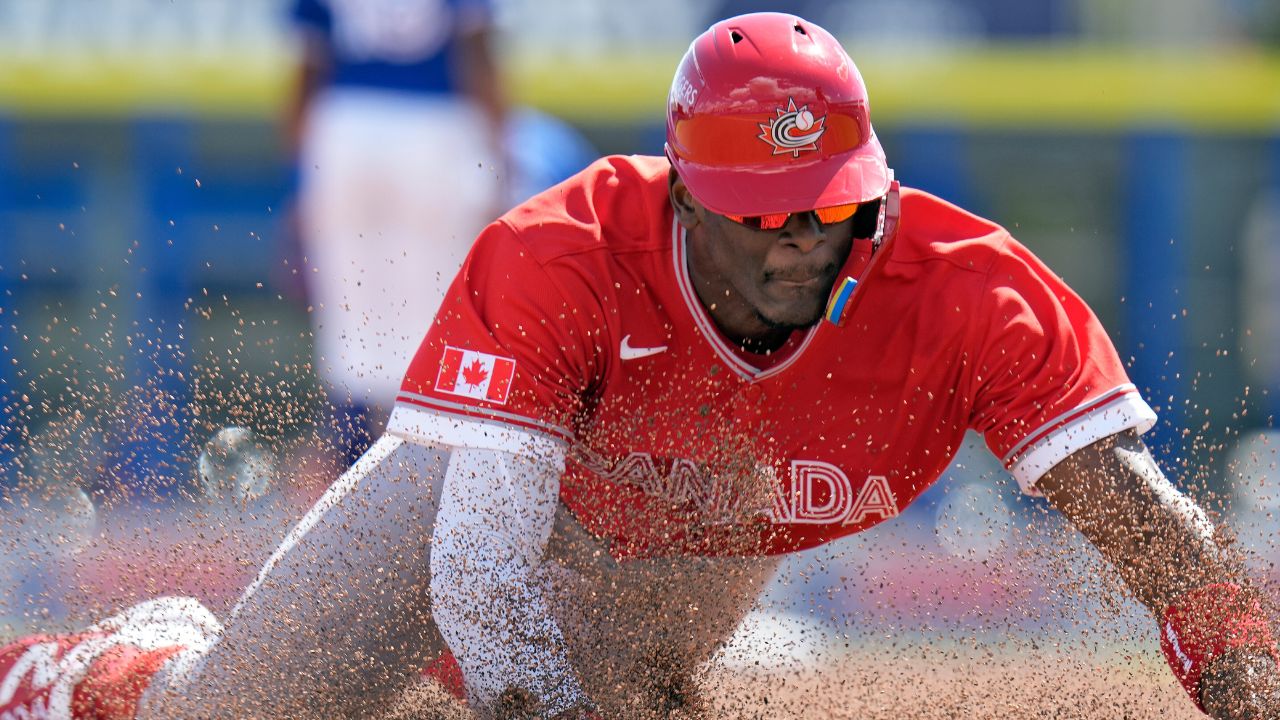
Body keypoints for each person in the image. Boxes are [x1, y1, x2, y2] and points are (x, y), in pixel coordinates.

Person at [2, 11, 1278, 719]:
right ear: (683, 202)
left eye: (828, 204)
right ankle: (107, 666)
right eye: (760, 211)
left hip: (679, 552)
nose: (800, 241)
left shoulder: (970, 293)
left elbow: (1148, 529)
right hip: (480, 504)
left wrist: (1237, 661)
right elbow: (484, 587)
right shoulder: (564, 253)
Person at [285, 0, 508, 467]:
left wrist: (300, 176)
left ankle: (351, 461)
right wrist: (499, 152)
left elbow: (308, 63)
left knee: (350, 313)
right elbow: (477, 48)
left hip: (344, 123)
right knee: (437, 307)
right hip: (436, 123)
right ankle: (434, 462)